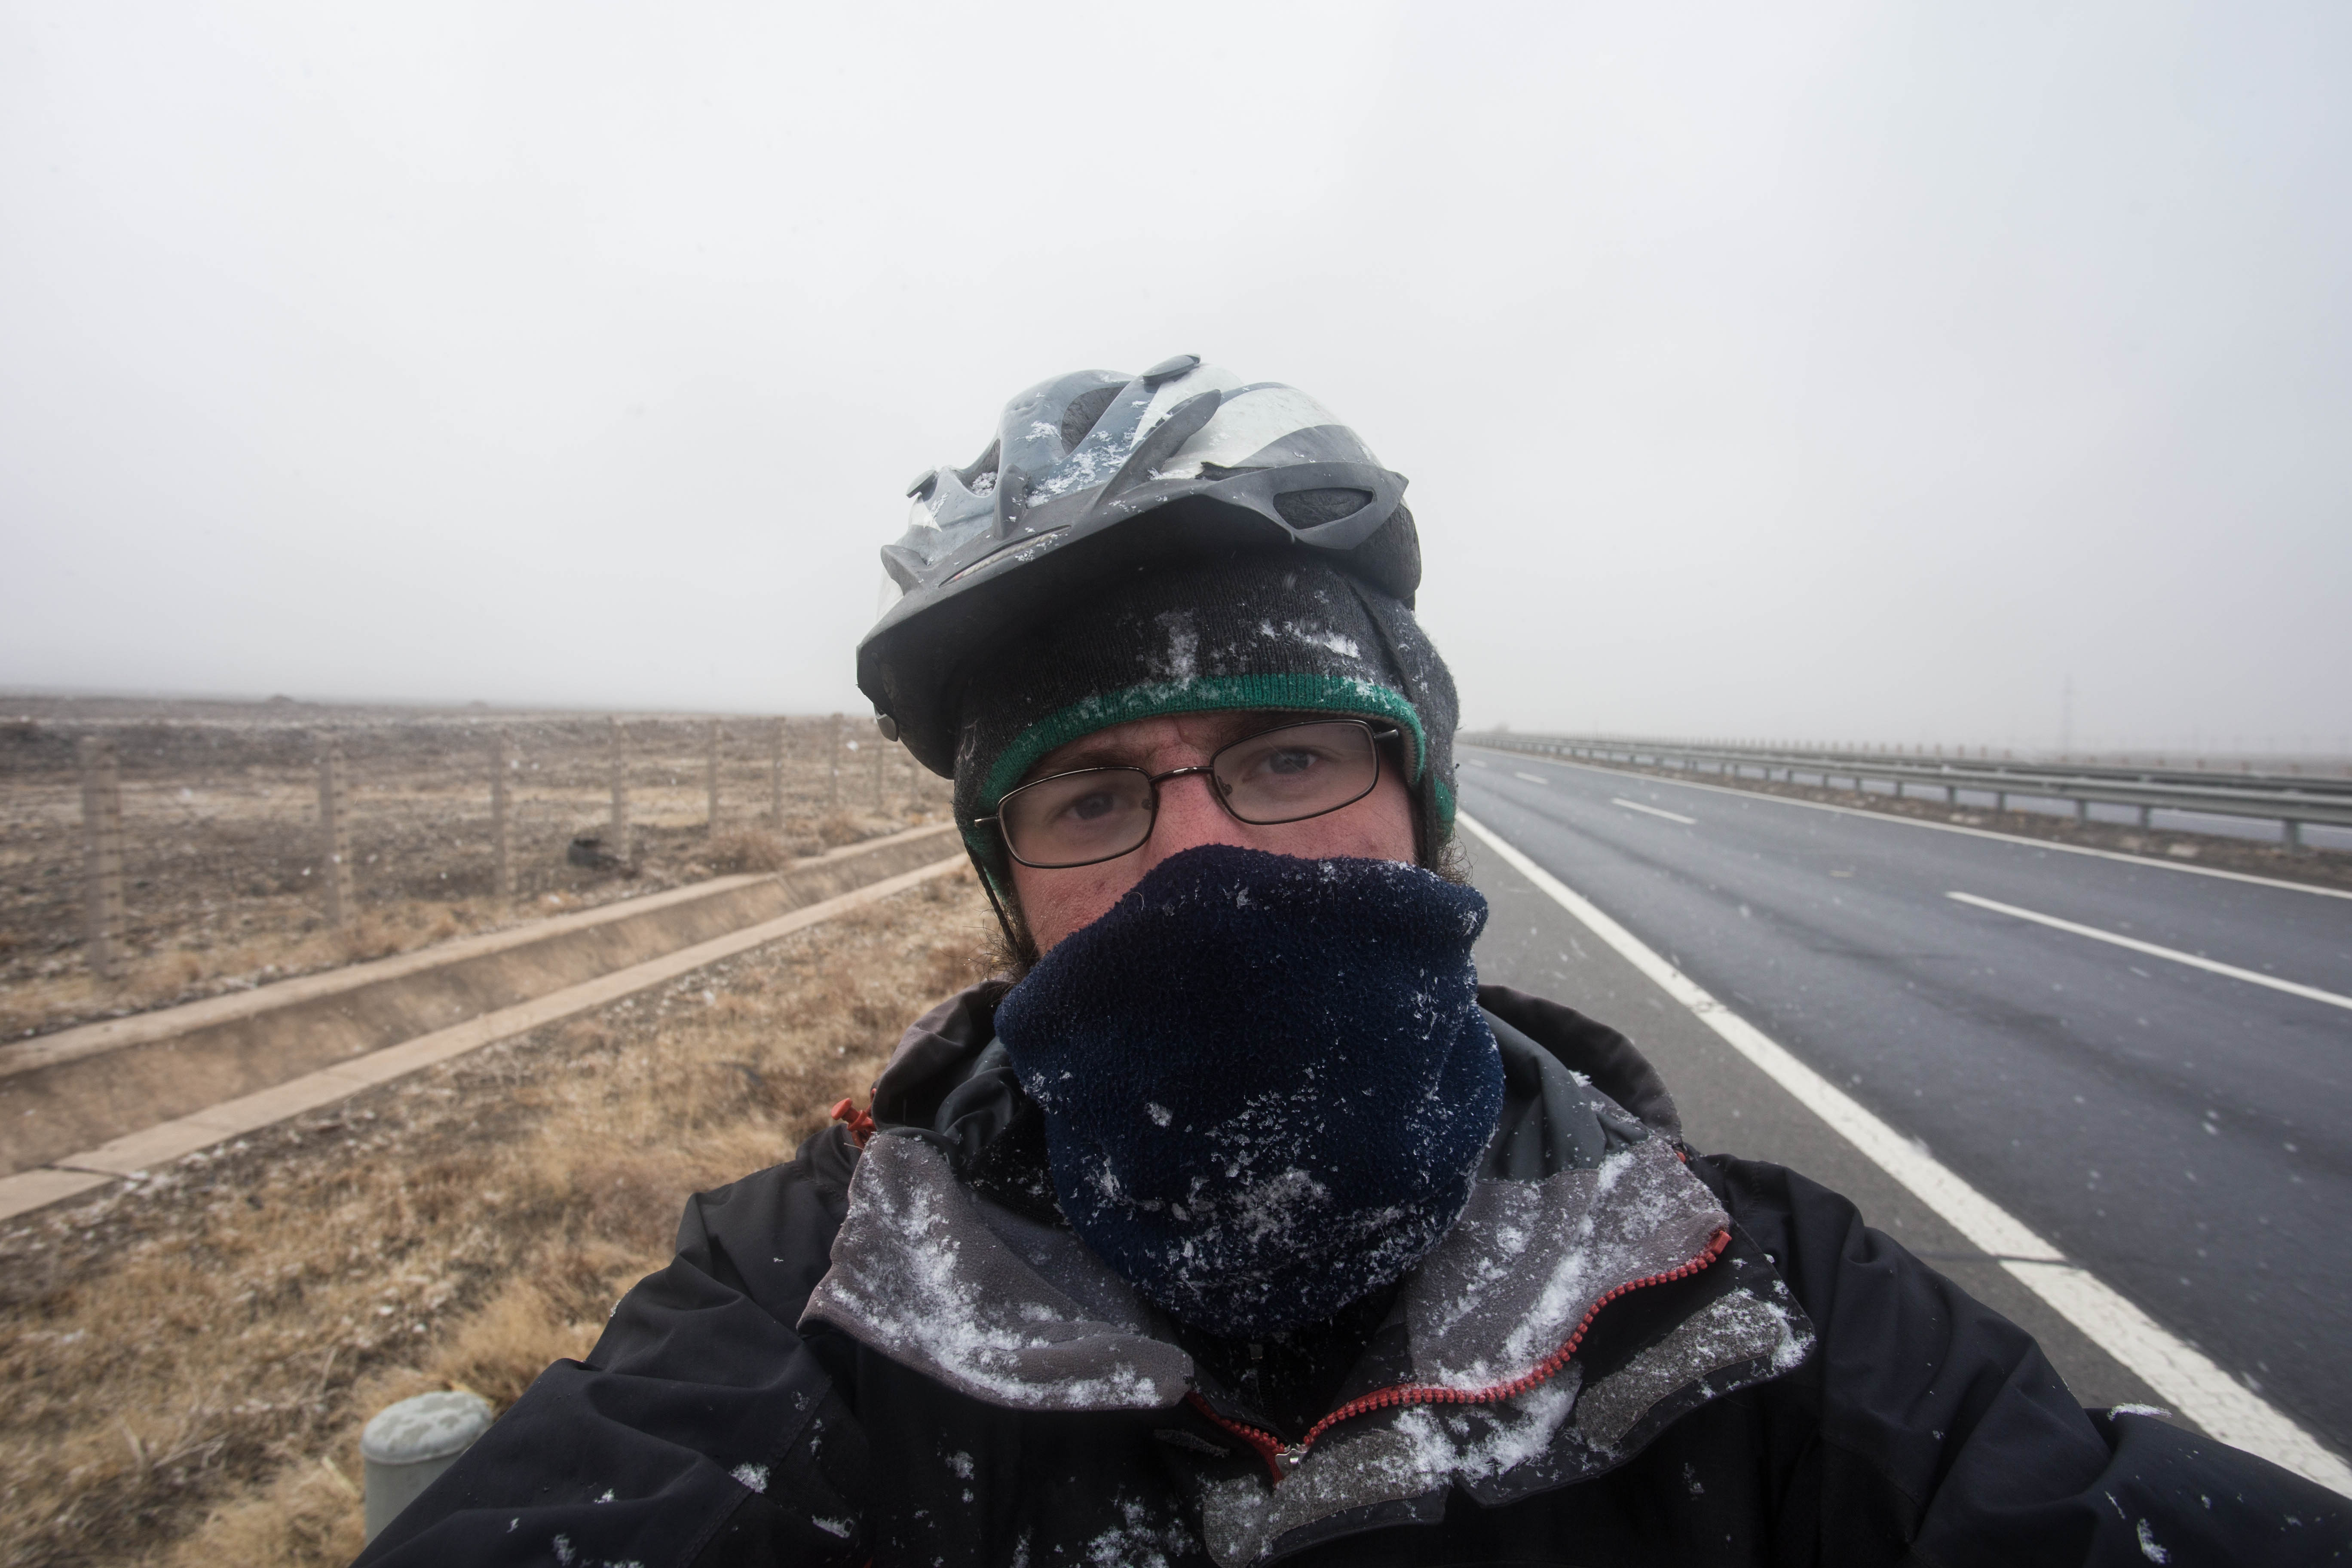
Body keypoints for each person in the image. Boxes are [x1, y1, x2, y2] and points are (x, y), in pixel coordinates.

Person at [358, 358, 2346, 1566]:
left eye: (1287, 758)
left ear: (1423, 806)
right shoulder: (817, 1308)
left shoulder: (1750, 1310)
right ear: (1010, 886)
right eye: (1094, 799)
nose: (1208, 858)